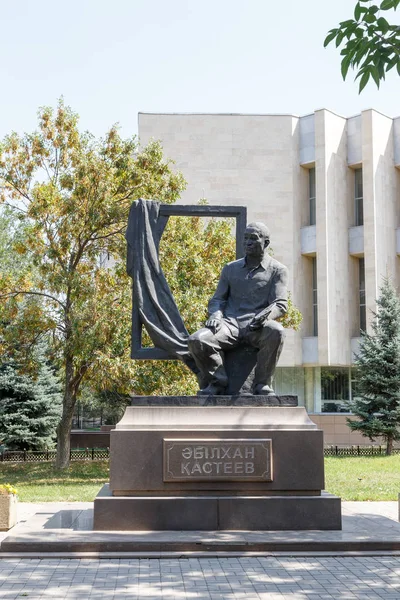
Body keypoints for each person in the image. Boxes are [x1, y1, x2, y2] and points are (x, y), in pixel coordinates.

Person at [188, 222, 288, 395]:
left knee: (277, 331)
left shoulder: (277, 270)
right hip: (230, 325)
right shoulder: (230, 269)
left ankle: (262, 383)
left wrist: (266, 317)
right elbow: (218, 299)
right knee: (197, 340)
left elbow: (280, 304)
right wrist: (216, 315)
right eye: (245, 238)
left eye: (253, 238)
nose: (248, 242)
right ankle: (218, 381)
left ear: (266, 243)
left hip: (257, 326)